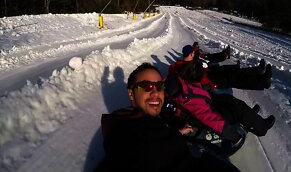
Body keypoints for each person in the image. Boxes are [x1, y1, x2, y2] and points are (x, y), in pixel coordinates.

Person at [98, 63, 240, 172]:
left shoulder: (136, 118)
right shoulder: (130, 135)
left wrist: (177, 133)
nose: (155, 93)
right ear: (131, 93)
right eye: (146, 86)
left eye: (159, 86)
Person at [165, 60, 275, 143]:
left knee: (229, 98)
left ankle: (249, 116)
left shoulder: (179, 80)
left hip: (206, 99)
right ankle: (261, 127)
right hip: (204, 114)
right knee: (236, 110)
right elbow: (208, 118)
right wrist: (233, 136)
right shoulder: (186, 97)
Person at [170, 44, 271, 90]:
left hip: (210, 73)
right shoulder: (180, 67)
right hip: (210, 80)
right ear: (191, 53)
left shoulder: (182, 63)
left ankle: (258, 70)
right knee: (235, 79)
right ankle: (262, 81)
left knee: (233, 70)